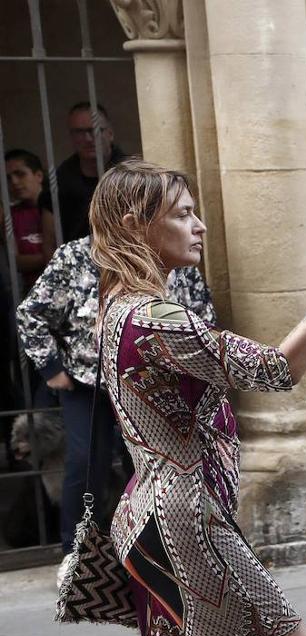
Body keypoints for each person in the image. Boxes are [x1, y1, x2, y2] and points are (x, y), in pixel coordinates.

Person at [76, 158, 306, 636]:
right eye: (182, 215)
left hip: (145, 514)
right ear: (135, 225)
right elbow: (277, 369)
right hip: (185, 517)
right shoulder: (155, 318)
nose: (200, 226)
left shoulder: (117, 306)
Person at [17, 235, 215, 582]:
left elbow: (202, 316)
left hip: (151, 383)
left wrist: (191, 373)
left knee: (153, 464)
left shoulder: (170, 253)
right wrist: (51, 368)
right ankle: (77, 553)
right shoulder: (76, 255)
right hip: (87, 382)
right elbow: (30, 313)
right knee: (85, 461)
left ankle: (161, 550)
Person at [43, 102, 128, 243]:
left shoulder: (131, 174)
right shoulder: (59, 180)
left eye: (94, 130)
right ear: (71, 137)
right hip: (74, 255)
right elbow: (50, 239)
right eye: (79, 132)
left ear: (110, 133)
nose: (88, 138)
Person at [4, 149, 55, 294]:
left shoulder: (59, 207)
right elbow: (15, 262)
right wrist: (53, 257)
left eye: (20, 174)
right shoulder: (10, 215)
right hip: (33, 293)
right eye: (8, 178)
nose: (14, 182)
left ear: (38, 175)